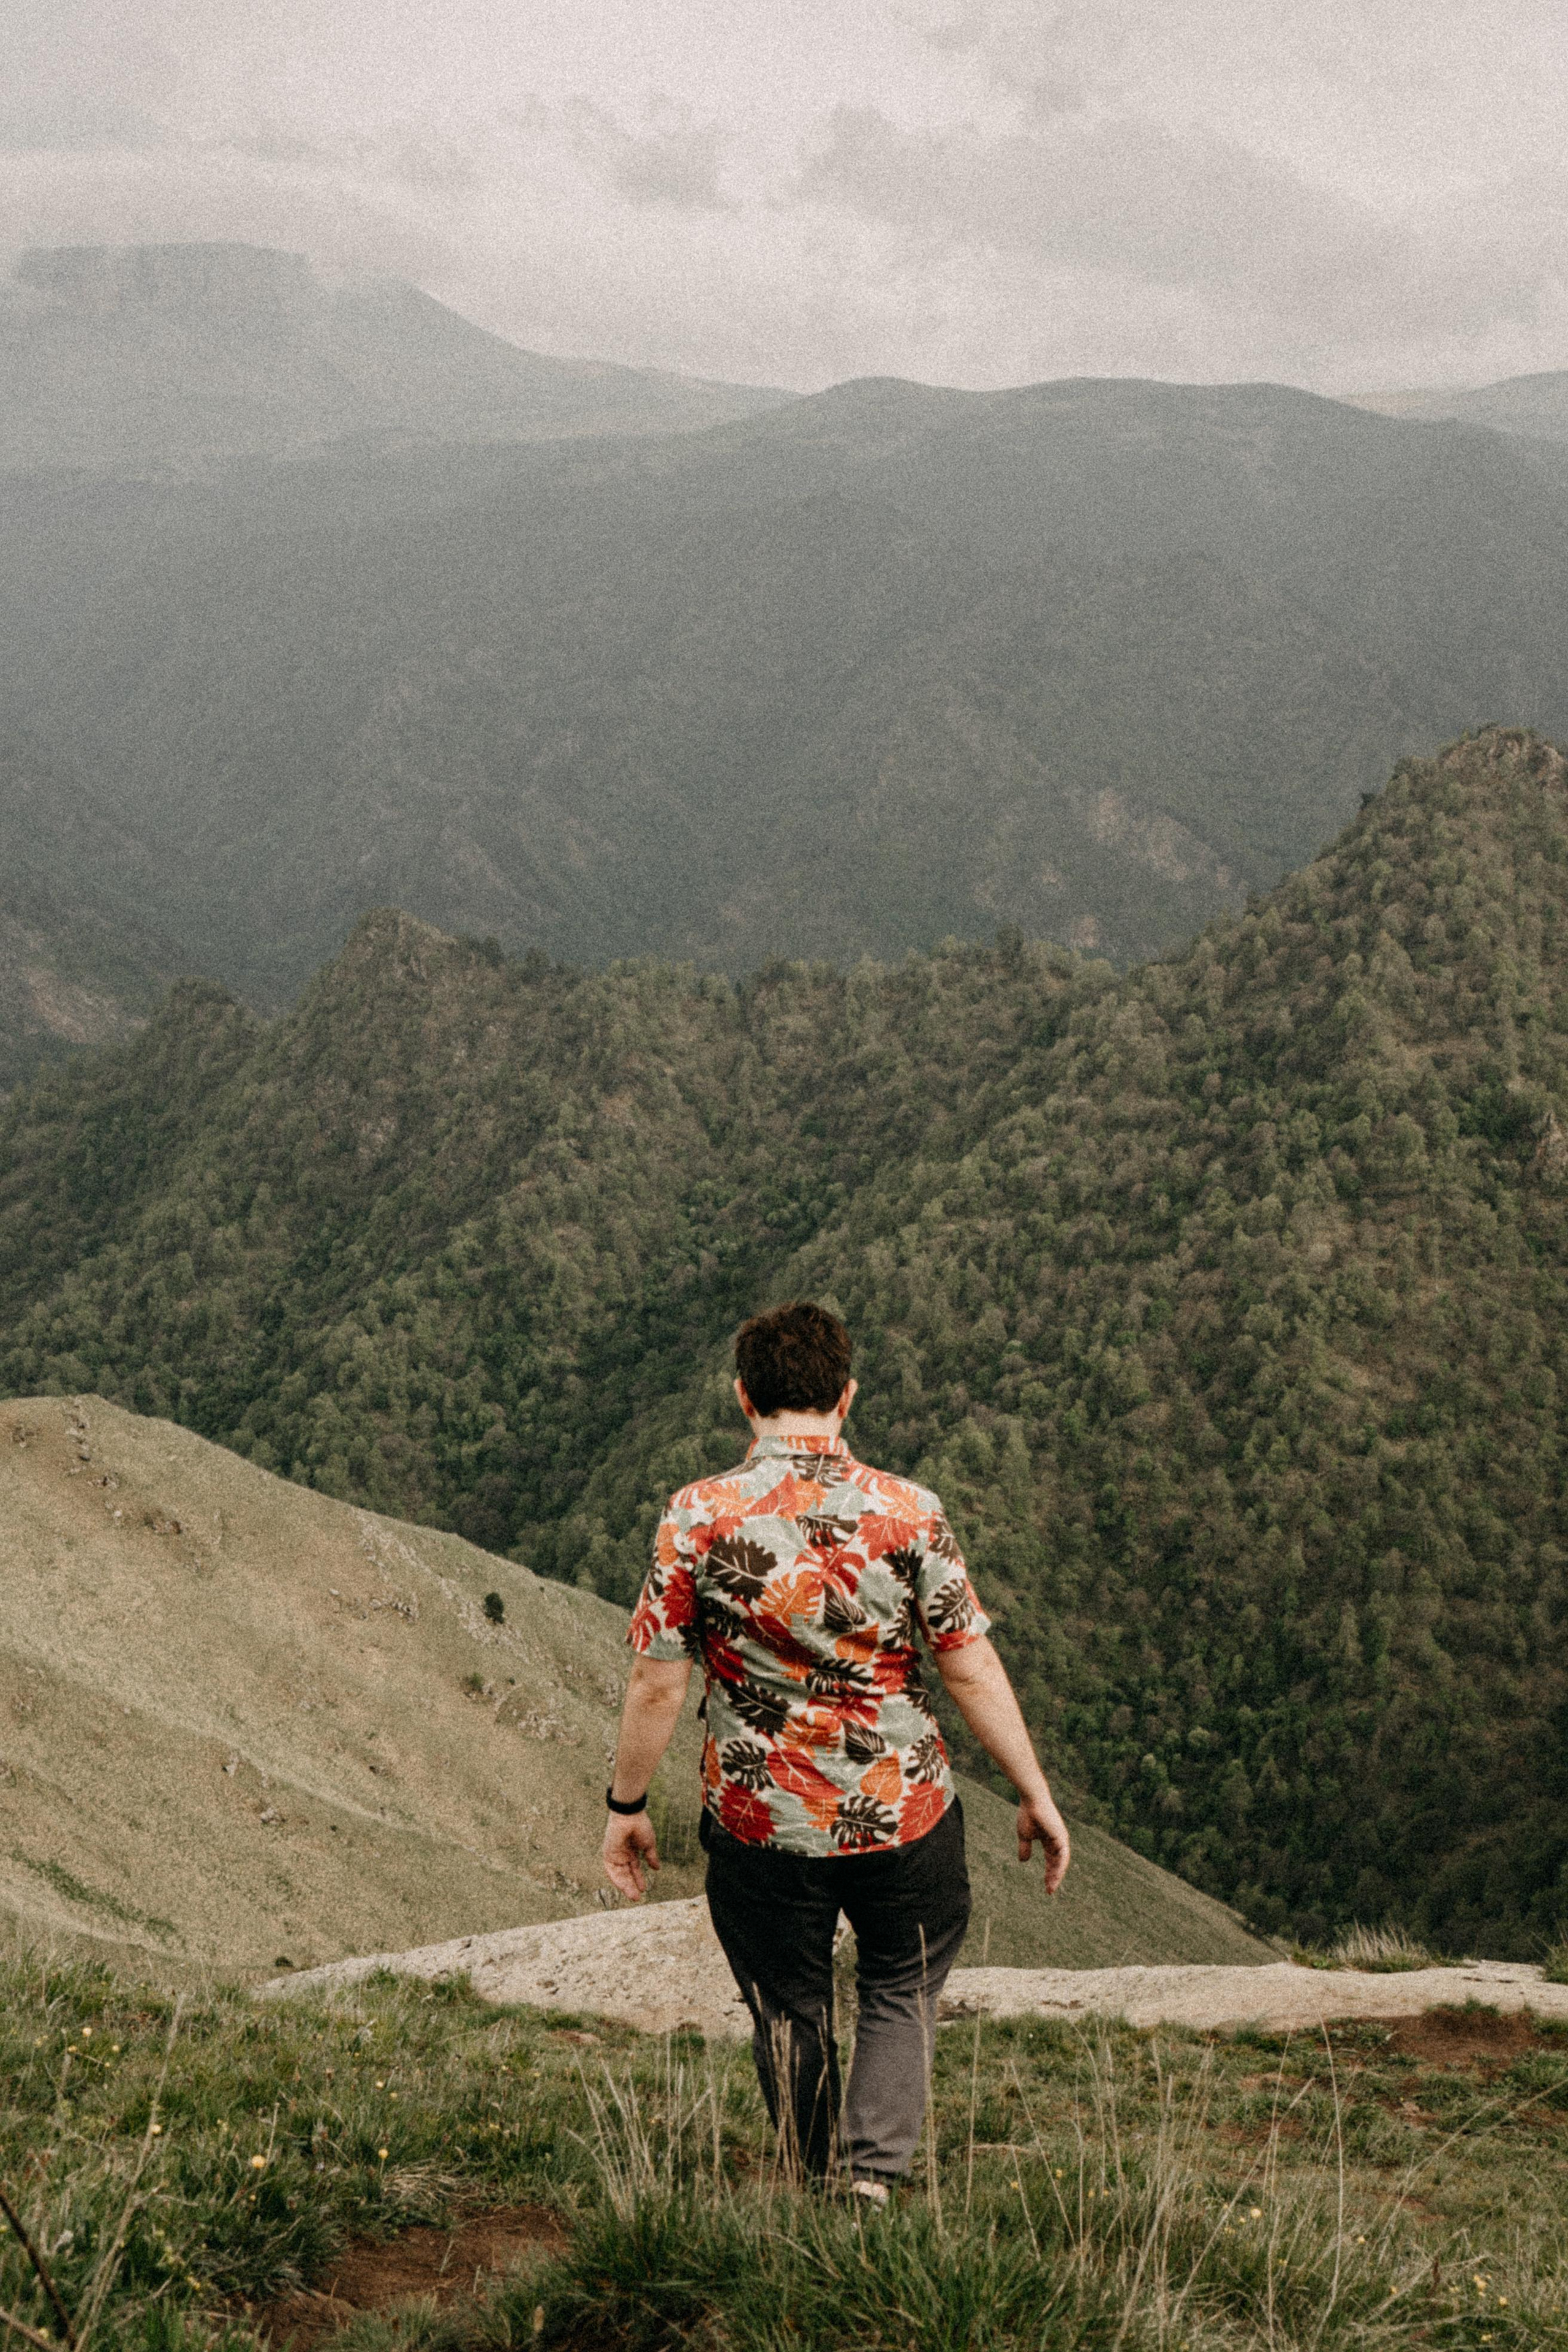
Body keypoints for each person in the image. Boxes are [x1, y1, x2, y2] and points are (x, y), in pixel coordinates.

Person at [601, 1298, 1071, 2204]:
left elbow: (656, 1683)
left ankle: (812, 2168)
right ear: (846, 1397)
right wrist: (1033, 1789)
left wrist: (626, 1809)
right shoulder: (910, 1512)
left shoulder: (696, 1517)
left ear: (745, 1399)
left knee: (789, 2004)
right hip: (904, 1814)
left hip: (760, 1822)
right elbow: (968, 1667)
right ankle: (867, 2183)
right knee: (902, 1980)